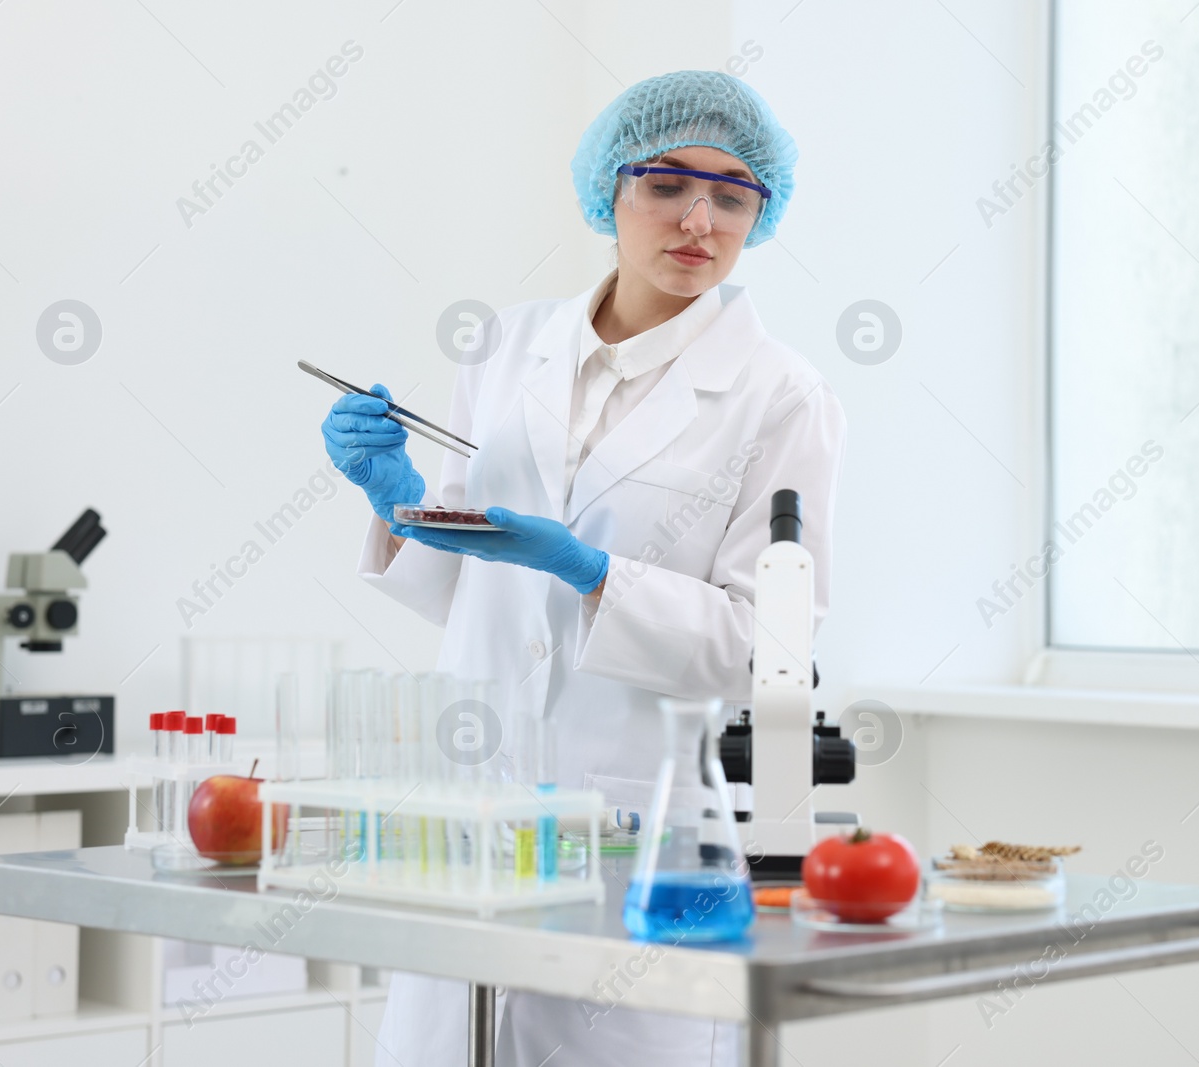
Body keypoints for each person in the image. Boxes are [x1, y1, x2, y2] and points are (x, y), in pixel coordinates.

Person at [321, 69, 845, 1067]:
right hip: (474, 814)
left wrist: (593, 570)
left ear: (757, 217)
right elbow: (474, 588)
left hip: (640, 841)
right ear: (610, 188)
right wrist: (392, 501)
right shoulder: (509, 347)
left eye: (732, 195)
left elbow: (764, 646)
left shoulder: (781, 395)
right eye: (666, 183)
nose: (699, 216)